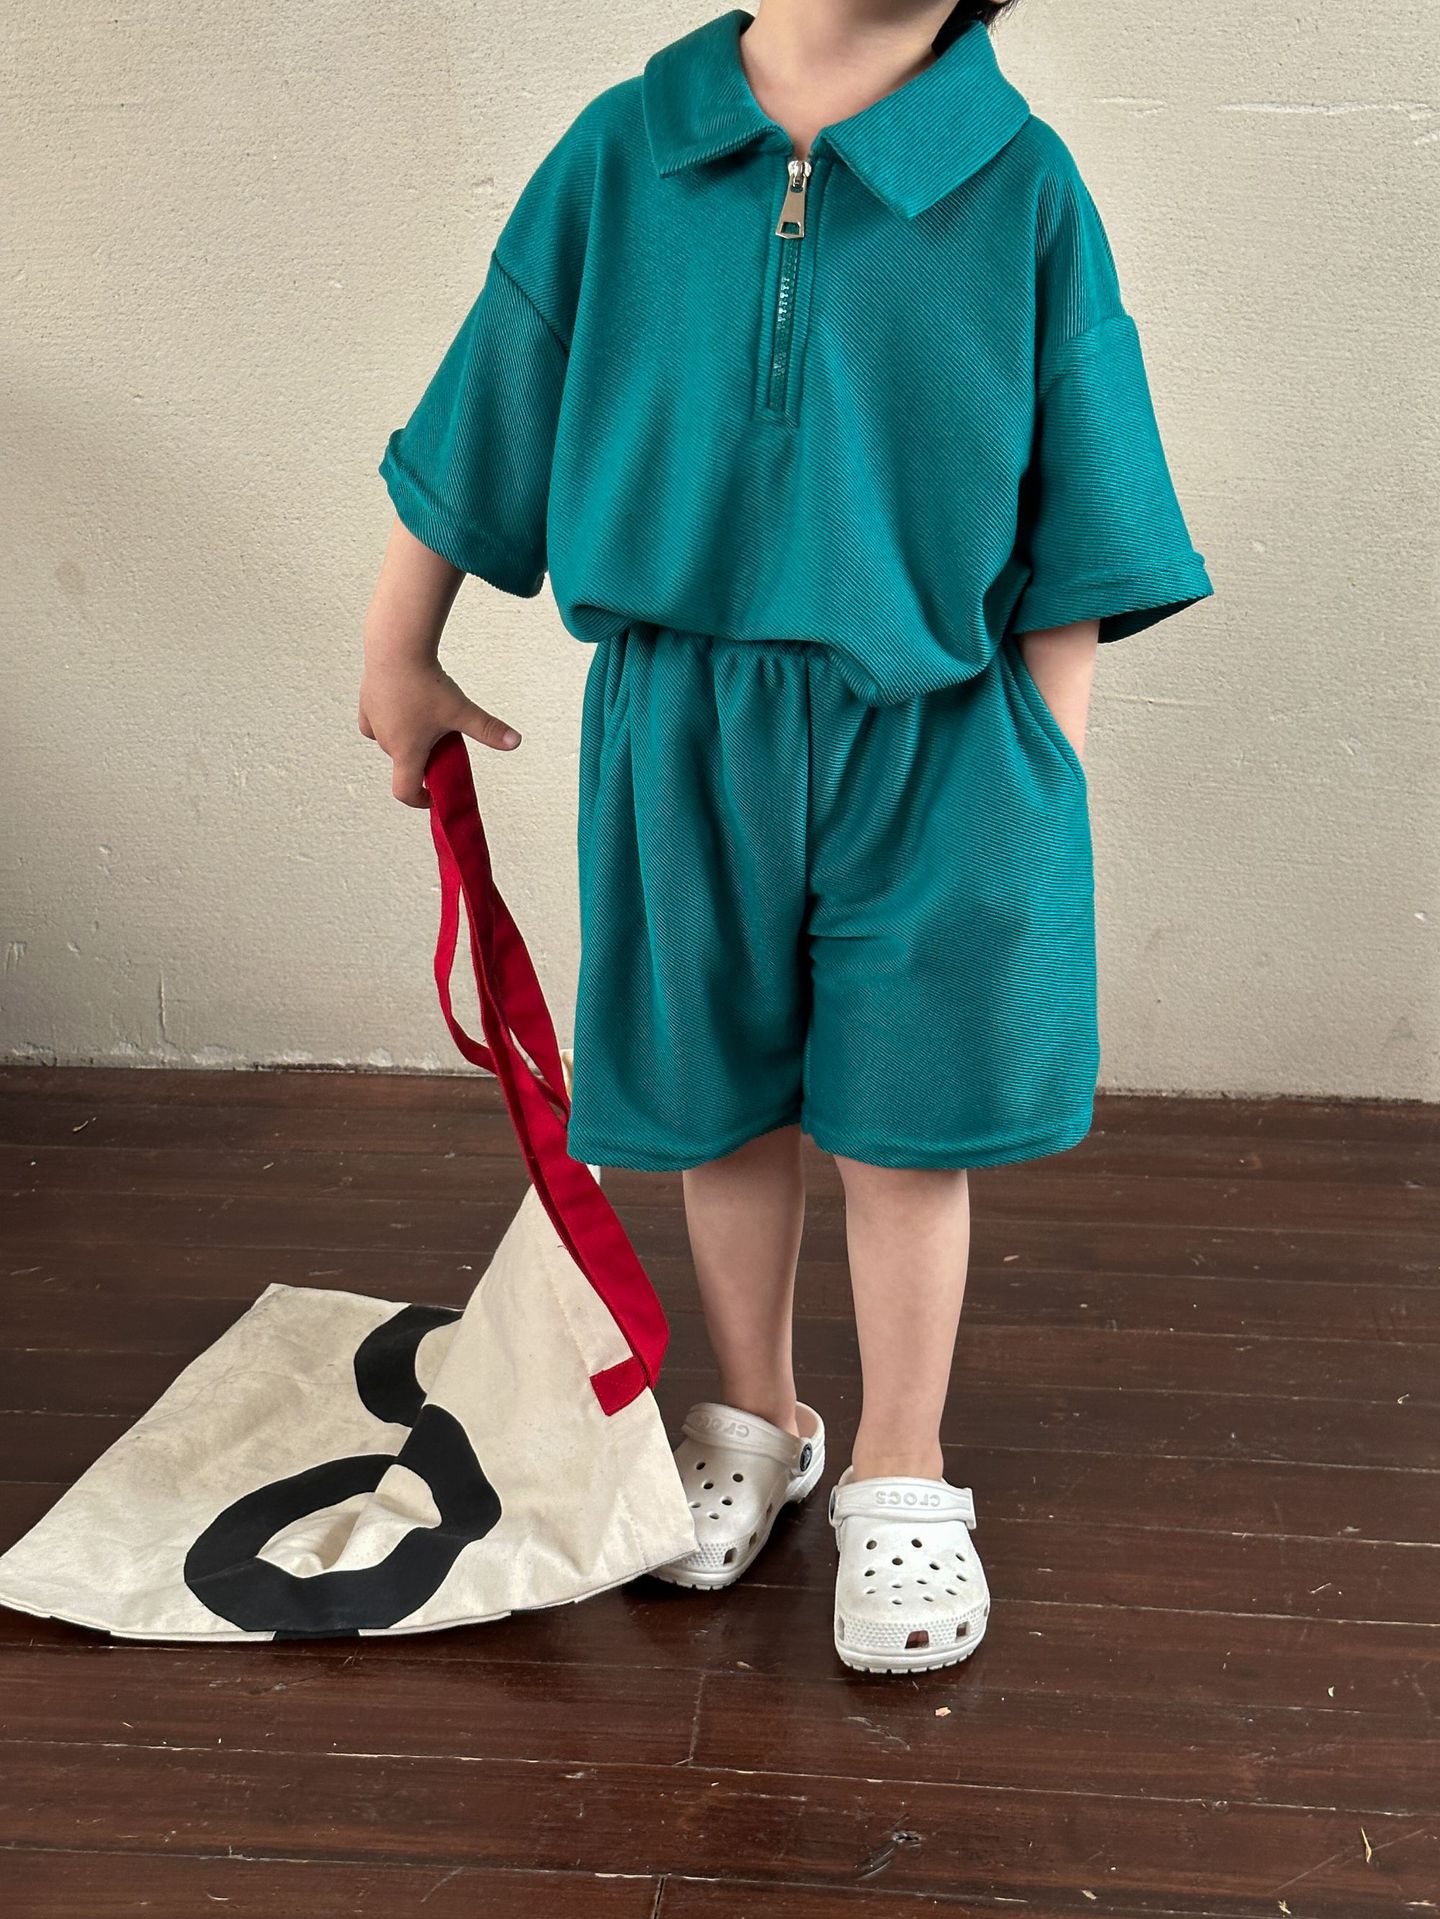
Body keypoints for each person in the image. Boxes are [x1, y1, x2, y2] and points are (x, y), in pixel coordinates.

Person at [359, 1, 1213, 1674]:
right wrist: (401, 648)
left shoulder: (1020, 182)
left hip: (937, 730)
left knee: (906, 1126)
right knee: (719, 1100)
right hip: (683, 722)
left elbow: (1089, 493)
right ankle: (756, 1414)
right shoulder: (625, 149)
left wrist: (1040, 759)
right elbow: (492, 396)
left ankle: (905, 1459)